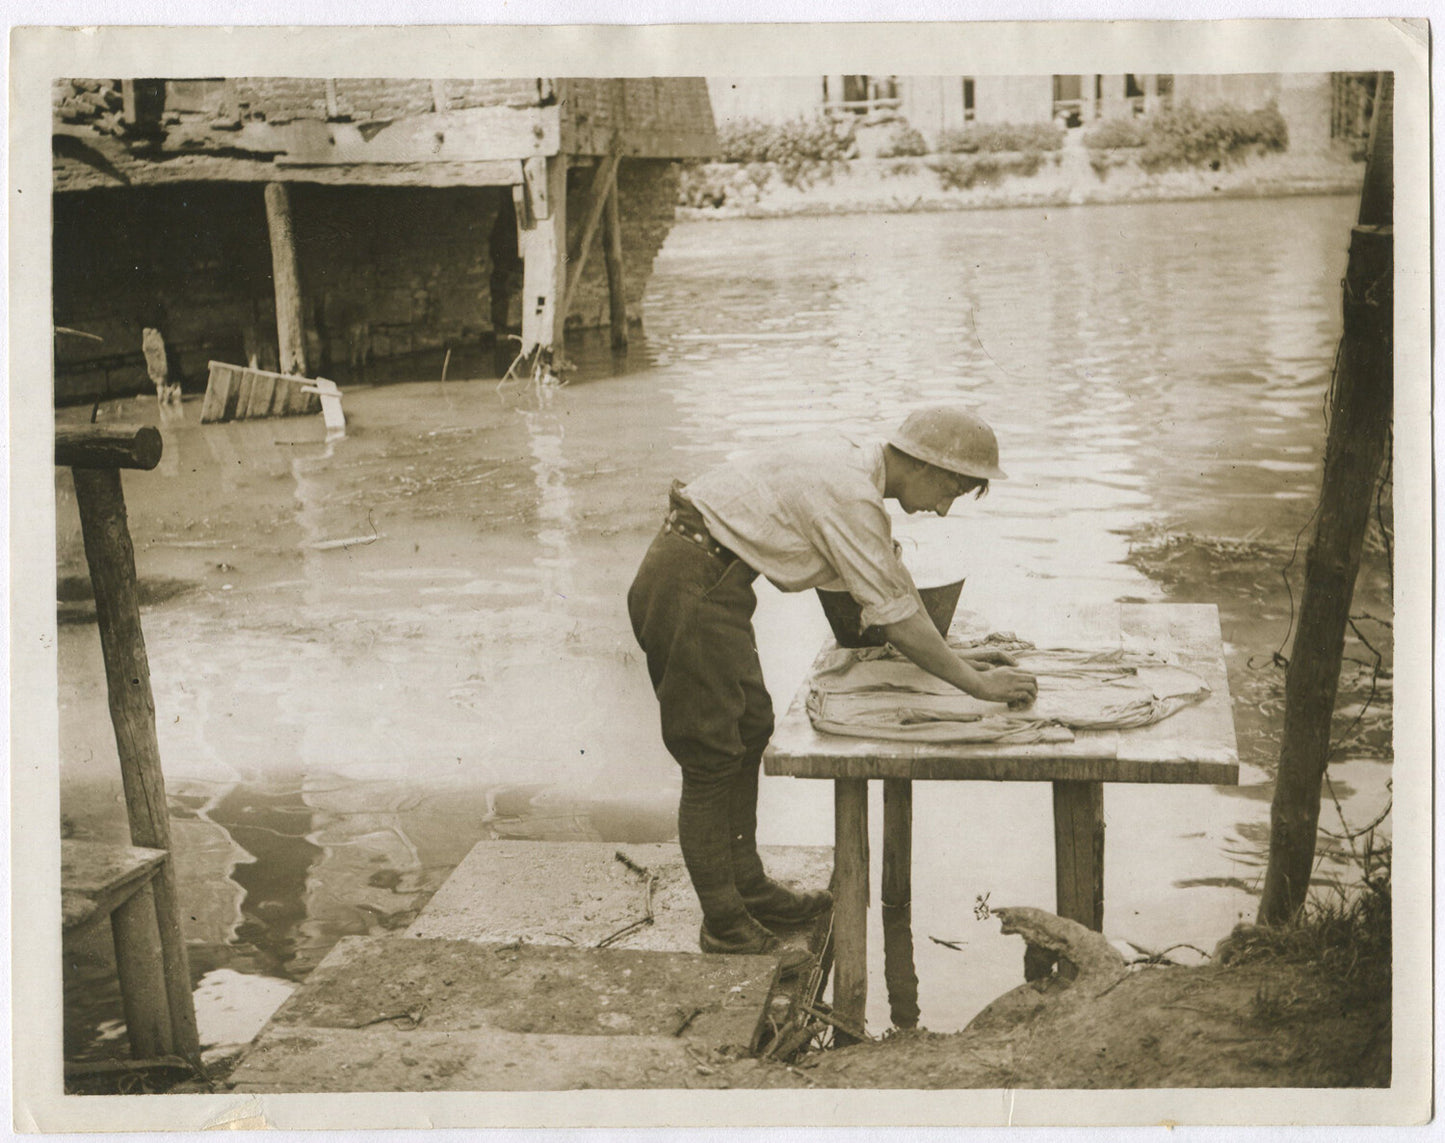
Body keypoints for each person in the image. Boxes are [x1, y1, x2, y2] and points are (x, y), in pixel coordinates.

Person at [627, 406, 1037, 959]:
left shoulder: (854, 467)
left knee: (749, 729)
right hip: (689, 585)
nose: (942, 509)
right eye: (951, 492)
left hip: (712, 579)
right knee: (709, 759)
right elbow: (895, 614)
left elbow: (887, 582)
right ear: (926, 466)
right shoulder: (851, 494)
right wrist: (978, 686)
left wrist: (957, 655)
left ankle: (748, 887)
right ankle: (724, 925)